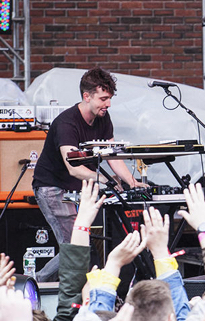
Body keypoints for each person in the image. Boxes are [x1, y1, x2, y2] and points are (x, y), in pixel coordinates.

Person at [31, 68, 147, 282]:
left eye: (110, 98)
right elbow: (73, 168)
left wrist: (131, 182)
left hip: (75, 189)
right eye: (103, 98)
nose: (108, 104)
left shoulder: (103, 118)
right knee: (75, 247)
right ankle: (36, 283)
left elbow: (112, 155)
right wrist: (105, 180)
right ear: (87, 96)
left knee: (79, 246)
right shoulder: (67, 123)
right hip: (52, 188)